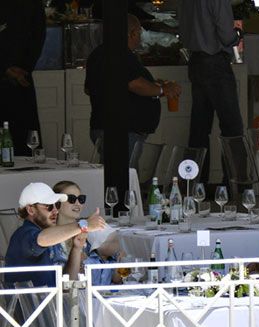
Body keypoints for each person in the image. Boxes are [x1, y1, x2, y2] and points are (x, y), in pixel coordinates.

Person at [84, 14, 181, 162]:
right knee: (122, 176)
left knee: (113, 172)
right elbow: (134, 84)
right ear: (133, 33)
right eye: (140, 33)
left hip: (109, 127)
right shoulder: (118, 53)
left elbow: (90, 88)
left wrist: (153, 85)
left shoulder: (99, 53)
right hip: (121, 130)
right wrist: (163, 90)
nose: (140, 38)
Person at [177, 0, 245, 181]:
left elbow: (182, 29)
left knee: (199, 128)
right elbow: (225, 34)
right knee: (232, 129)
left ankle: (195, 184)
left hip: (196, 61)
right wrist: (236, 35)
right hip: (215, 61)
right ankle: (236, 186)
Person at [5, 182, 105, 287]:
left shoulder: (45, 235)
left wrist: (76, 248)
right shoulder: (23, 234)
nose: (55, 211)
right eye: (48, 206)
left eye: (56, 205)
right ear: (31, 210)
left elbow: (66, 284)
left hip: (51, 301)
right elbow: (42, 238)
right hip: (33, 303)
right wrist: (84, 225)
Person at [0, 1, 45, 157]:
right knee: (25, 137)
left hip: (16, 76)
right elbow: (39, 36)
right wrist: (24, 67)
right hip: (21, 76)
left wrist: (7, 68)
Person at [52, 180, 88, 259]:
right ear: (57, 203)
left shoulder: (88, 230)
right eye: (72, 199)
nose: (78, 203)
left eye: (81, 199)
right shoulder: (48, 234)